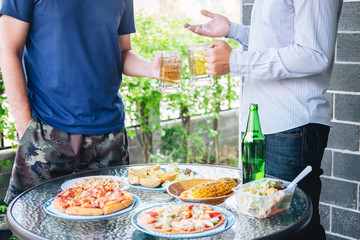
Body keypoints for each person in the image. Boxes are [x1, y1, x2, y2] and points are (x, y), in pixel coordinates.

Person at [184, 0, 343, 239]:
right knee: (263, 225)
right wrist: (233, 30)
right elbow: (278, 40)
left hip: (291, 127)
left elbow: (314, 54)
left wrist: (235, 61)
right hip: (260, 124)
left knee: (291, 228)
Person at [0, 0, 160, 204]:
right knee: (36, 223)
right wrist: (25, 128)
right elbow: (8, 50)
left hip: (109, 136)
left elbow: (122, 52)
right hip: (46, 131)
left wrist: (150, 69)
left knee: (108, 228)